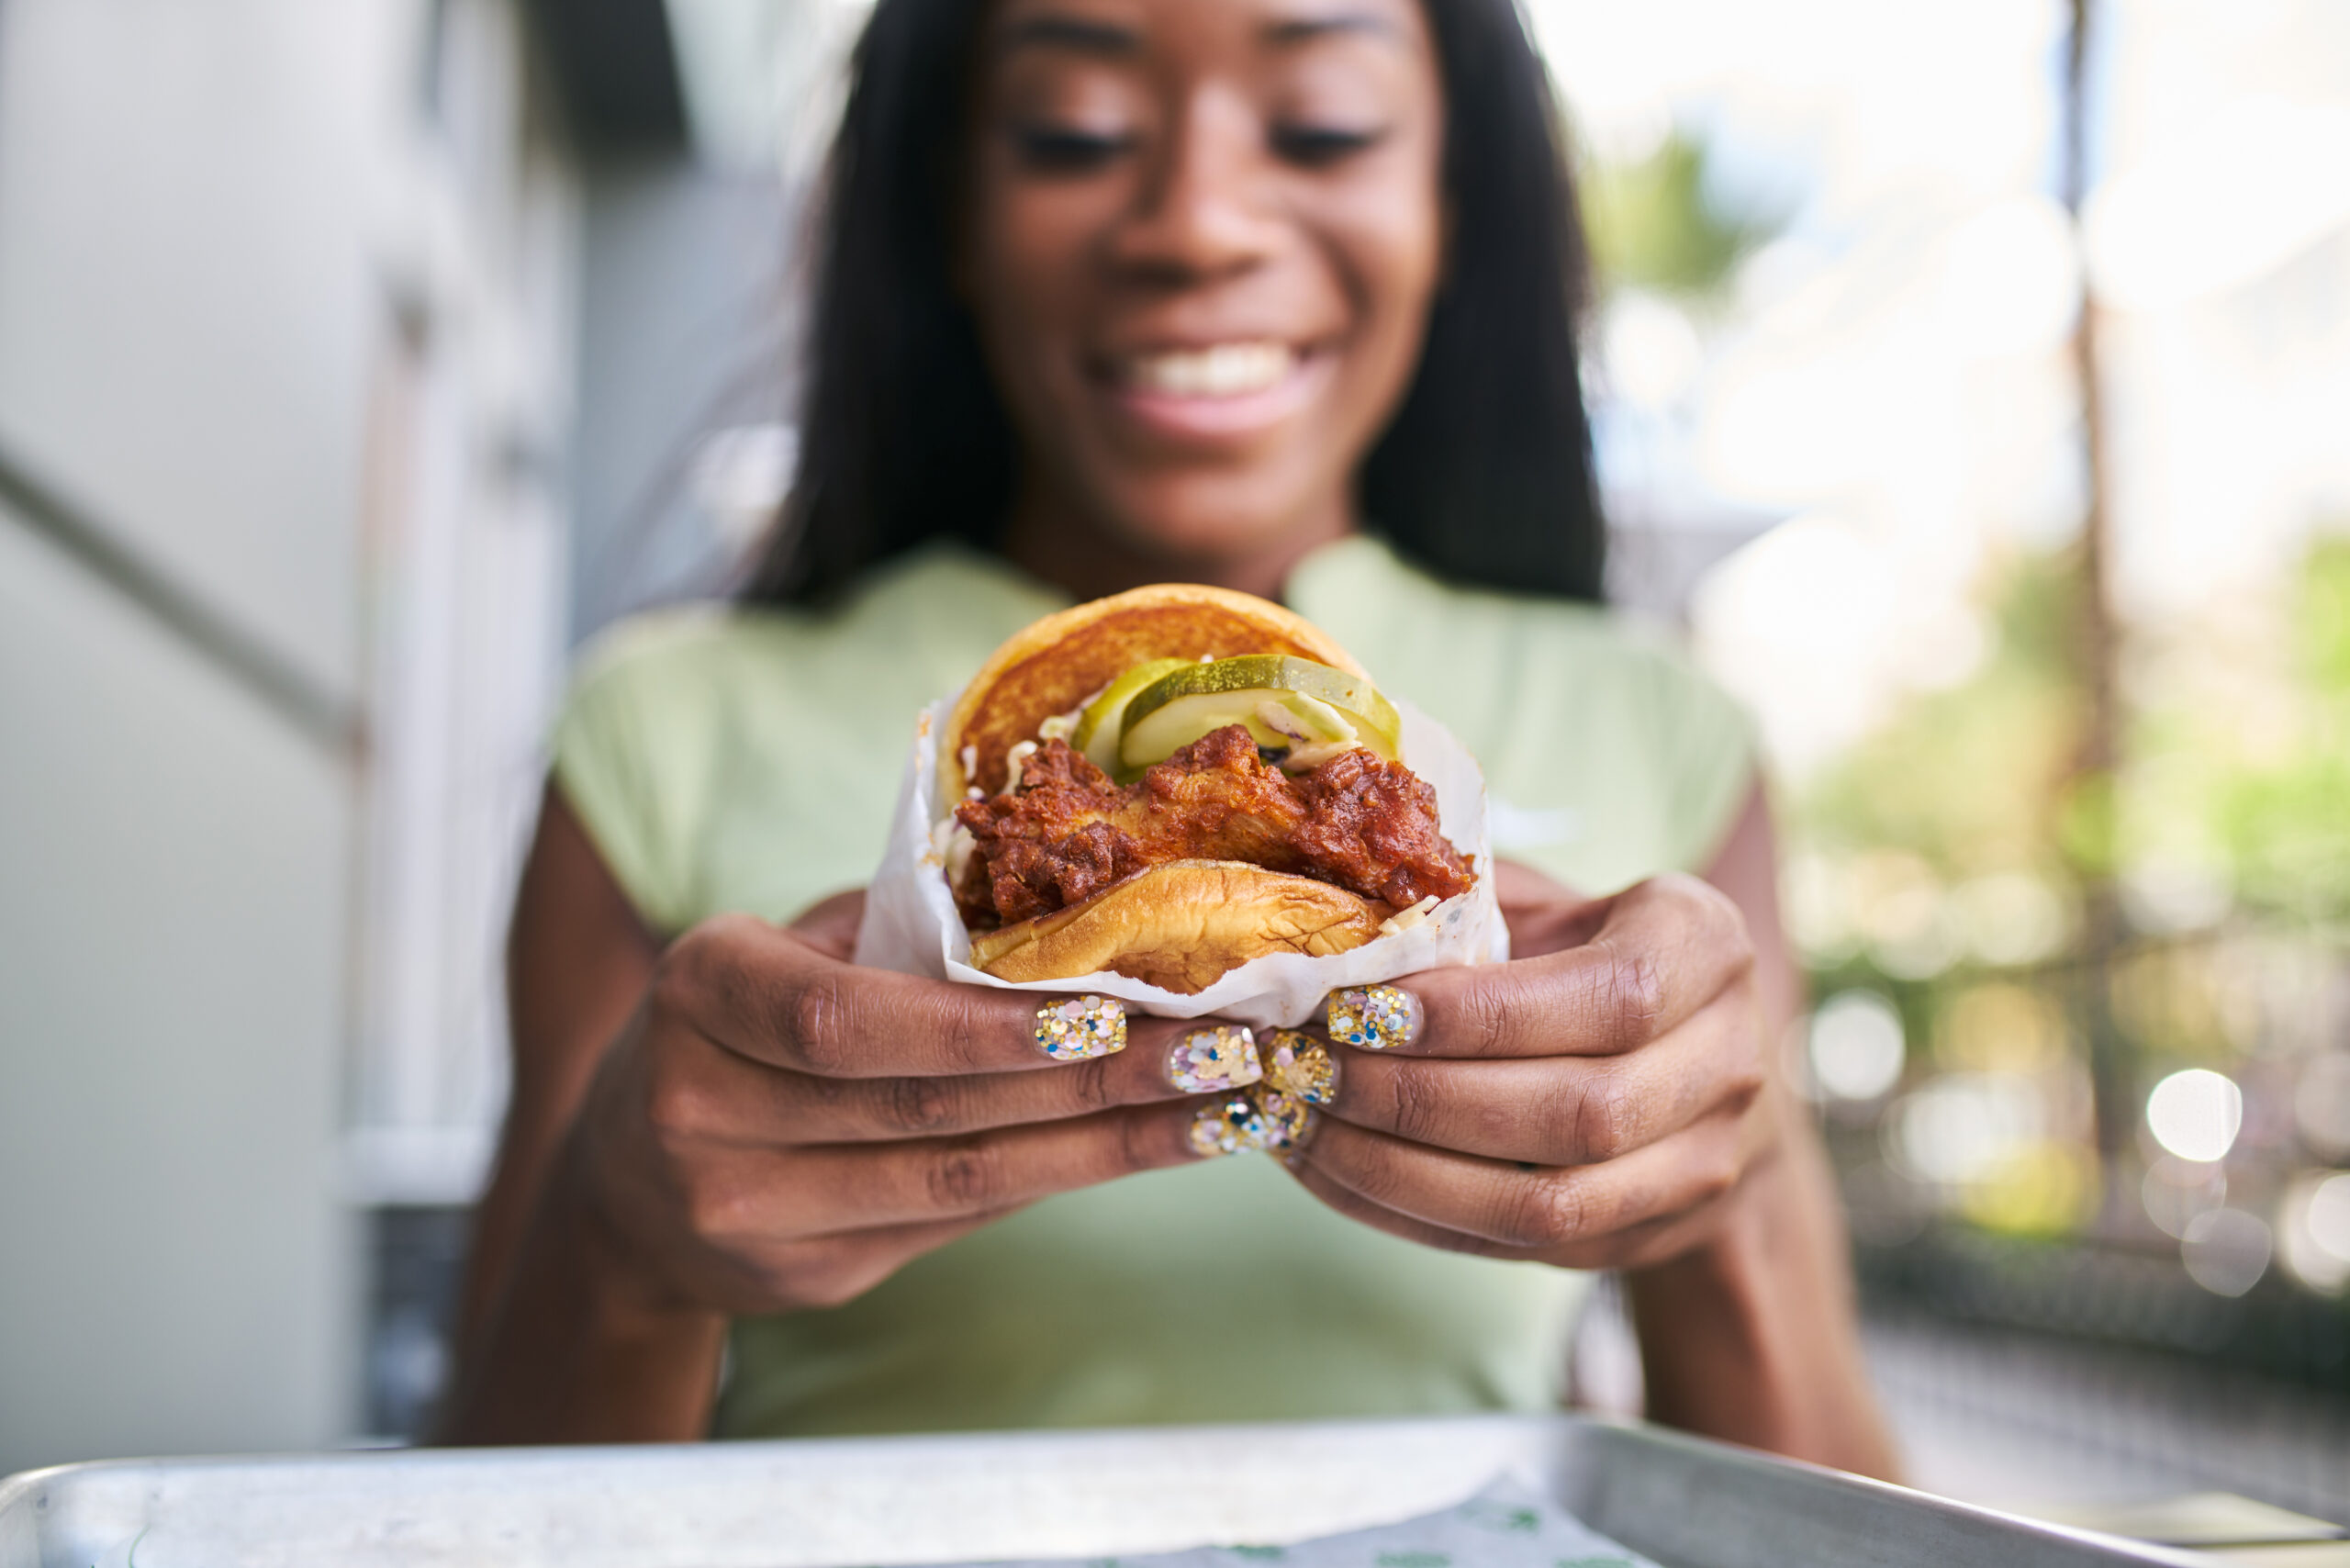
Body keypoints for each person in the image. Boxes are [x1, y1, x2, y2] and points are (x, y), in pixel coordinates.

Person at [441, 0, 1897, 1475]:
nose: (1197, 226)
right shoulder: (663, 730)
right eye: (1076, 132)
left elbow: (1835, 1512)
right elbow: (473, 1509)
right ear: (950, 209)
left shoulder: (1657, 725)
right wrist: (620, 1246)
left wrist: (1737, 1179)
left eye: (1322, 124)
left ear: (1453, 204)